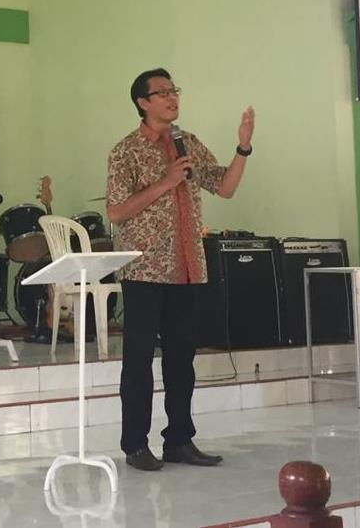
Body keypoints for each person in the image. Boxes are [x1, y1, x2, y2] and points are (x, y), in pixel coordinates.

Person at [105, 68, 254, 472]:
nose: (173, 98)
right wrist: (166, 182)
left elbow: (224, 187)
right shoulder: (126, 151)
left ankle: (179, 440)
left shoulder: (186, 142)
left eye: (175, 91)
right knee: (138, 362)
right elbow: (116, 212)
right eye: (163, 92)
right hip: (144, 269)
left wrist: (243, 148)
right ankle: (135, 444)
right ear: (142, 102)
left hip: (187, 266)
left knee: (181, 361)